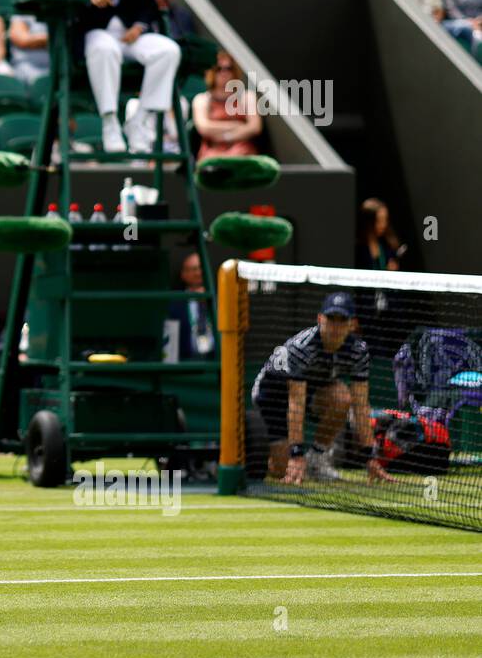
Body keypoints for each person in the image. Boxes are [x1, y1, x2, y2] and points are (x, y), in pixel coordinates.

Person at [70, 0, 181, 154]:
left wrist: (140, 26)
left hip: (130, 34)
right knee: (106, 49)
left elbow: (146, 2)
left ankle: (140, 120)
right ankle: (110, 123)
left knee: (168, 51)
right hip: (95, 30)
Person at [249, 292, 388, 484]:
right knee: (280, 470)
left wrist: (370, 457)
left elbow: (361, 405)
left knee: (343, 398)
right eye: (331, 319)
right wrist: (296, 456)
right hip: (273, 396)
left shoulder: (358, 351)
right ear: (320, 318)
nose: (335, 326)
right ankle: (254, 456)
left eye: (342, 320)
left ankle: (316, 459)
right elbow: (295, 404)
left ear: (352, 324)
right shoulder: (302, 348)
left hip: (314, 390)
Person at [191, 50, 262, 159]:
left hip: (242, 151)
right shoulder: (202, 99)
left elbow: (254, 127)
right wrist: (235, 125)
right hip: (211, 152)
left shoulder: (247, 96)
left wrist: (226, 136)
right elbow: (203, 127)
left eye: (229, 68)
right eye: (219, 69)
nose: (224, 73)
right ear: (212, 72)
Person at [167, 252, 216, 361]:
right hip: (185, 363)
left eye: (201, 268)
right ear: (183, 274)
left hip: (216, 362)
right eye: (193, 269)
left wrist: (206, 302)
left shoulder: (220, 300)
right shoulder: (174, 302)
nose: (198, 273)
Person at [355, 197, 402, 270]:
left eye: (385, 220)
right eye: (379, 220)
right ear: (368, 222)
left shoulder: (387, 245)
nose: (383, 225)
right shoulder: (357, 248)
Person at [8, 8, 50, 84]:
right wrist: (50, 38)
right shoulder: (23, 12)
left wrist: (36, 40)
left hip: (53, 67)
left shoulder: (56, 12)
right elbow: (22, 39)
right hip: (27, 66)